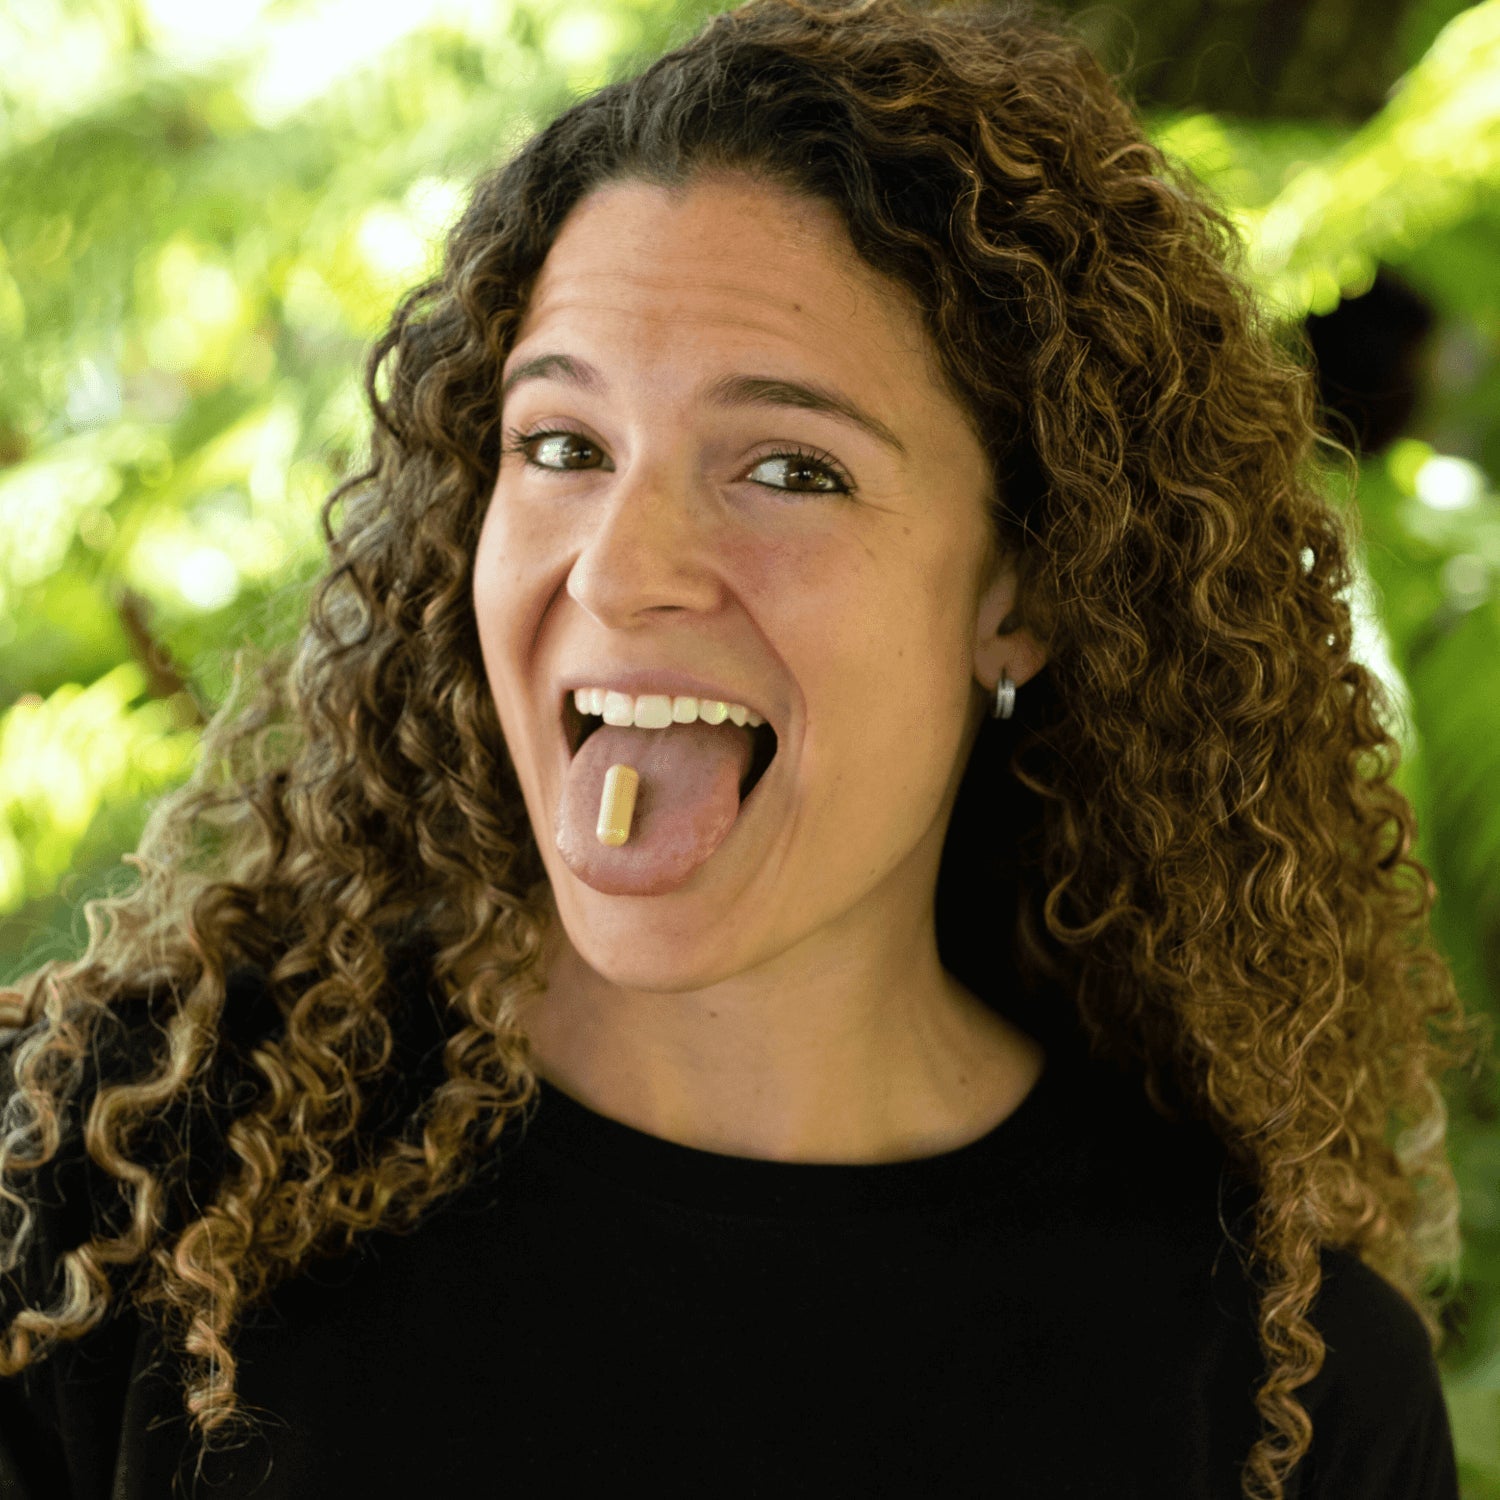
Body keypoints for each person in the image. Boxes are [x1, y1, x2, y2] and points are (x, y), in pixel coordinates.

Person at [0, 0, 1484, 1495]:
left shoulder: (1285, 1393)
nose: (620, 566)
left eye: (790, 467)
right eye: (563, 447)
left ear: (1027, 589)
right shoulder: (106, 1188)